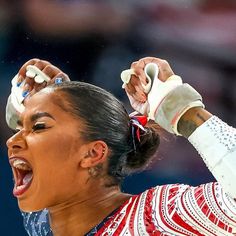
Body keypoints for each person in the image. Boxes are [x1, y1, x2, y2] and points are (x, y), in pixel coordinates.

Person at [5, 57, 236, 236]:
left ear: (93, 153)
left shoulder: (155, 217)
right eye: (20, 129)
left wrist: (182, 111)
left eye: (39, 127)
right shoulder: (45, 223)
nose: (12, 140)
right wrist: (39, 102)